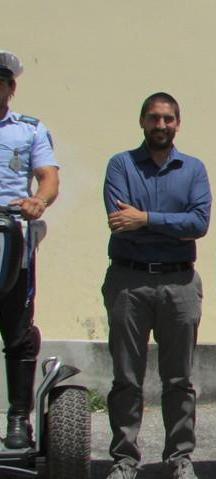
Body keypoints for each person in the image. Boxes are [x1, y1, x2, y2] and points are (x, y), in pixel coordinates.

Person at [101, 92, 211, 479]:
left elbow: (198, 224)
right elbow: (119, 222)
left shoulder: (193, 169)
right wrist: (171, 225)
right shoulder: (121, 165)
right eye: (153, 118)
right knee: (126, 378)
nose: (161, 125)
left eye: (168, 118)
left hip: (179, 283)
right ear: (142, 121)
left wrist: (145, 219)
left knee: (179, 379)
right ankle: (125, 459)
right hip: (128, 281)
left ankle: (180, 458)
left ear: (178, 123)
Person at [0, 50, 59, 449]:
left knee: (18, 331)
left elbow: (48, 177)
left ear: (11, 88)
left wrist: (39, 200)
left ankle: (18, 418)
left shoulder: (29, 130)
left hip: (11, 241)